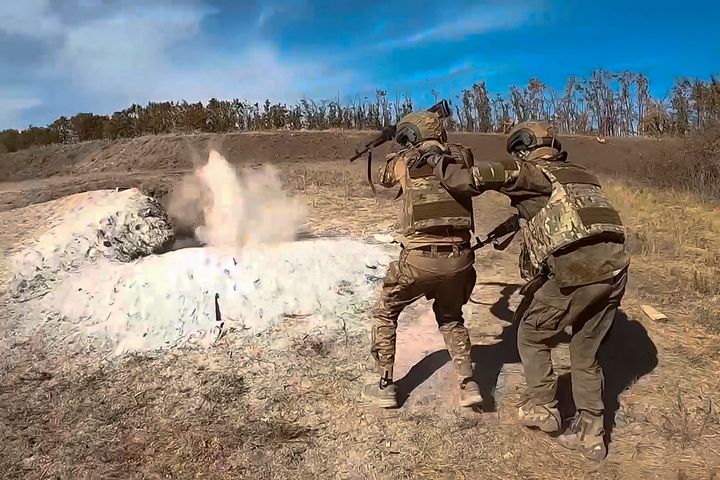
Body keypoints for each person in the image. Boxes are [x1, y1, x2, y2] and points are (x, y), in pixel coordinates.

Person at [421, 120, 630, 462]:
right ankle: (592, 435)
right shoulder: (578, 174)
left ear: (521, 148)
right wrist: (510, 224)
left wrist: (437, 154)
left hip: (579, 271)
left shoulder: (526, 170)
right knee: (585, 351)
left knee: (531, 335)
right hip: (617, 271)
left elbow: (460, 180)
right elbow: (557, 213)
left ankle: (543, 407)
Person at [361, 110, 484, 409]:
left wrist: (397, 143)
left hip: (419, 260)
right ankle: (469, 384)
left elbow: (383, 177)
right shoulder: (459, 160)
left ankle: (385, 385)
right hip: (460, 259)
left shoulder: (404, 162)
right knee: (451, 317)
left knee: (385, 312)